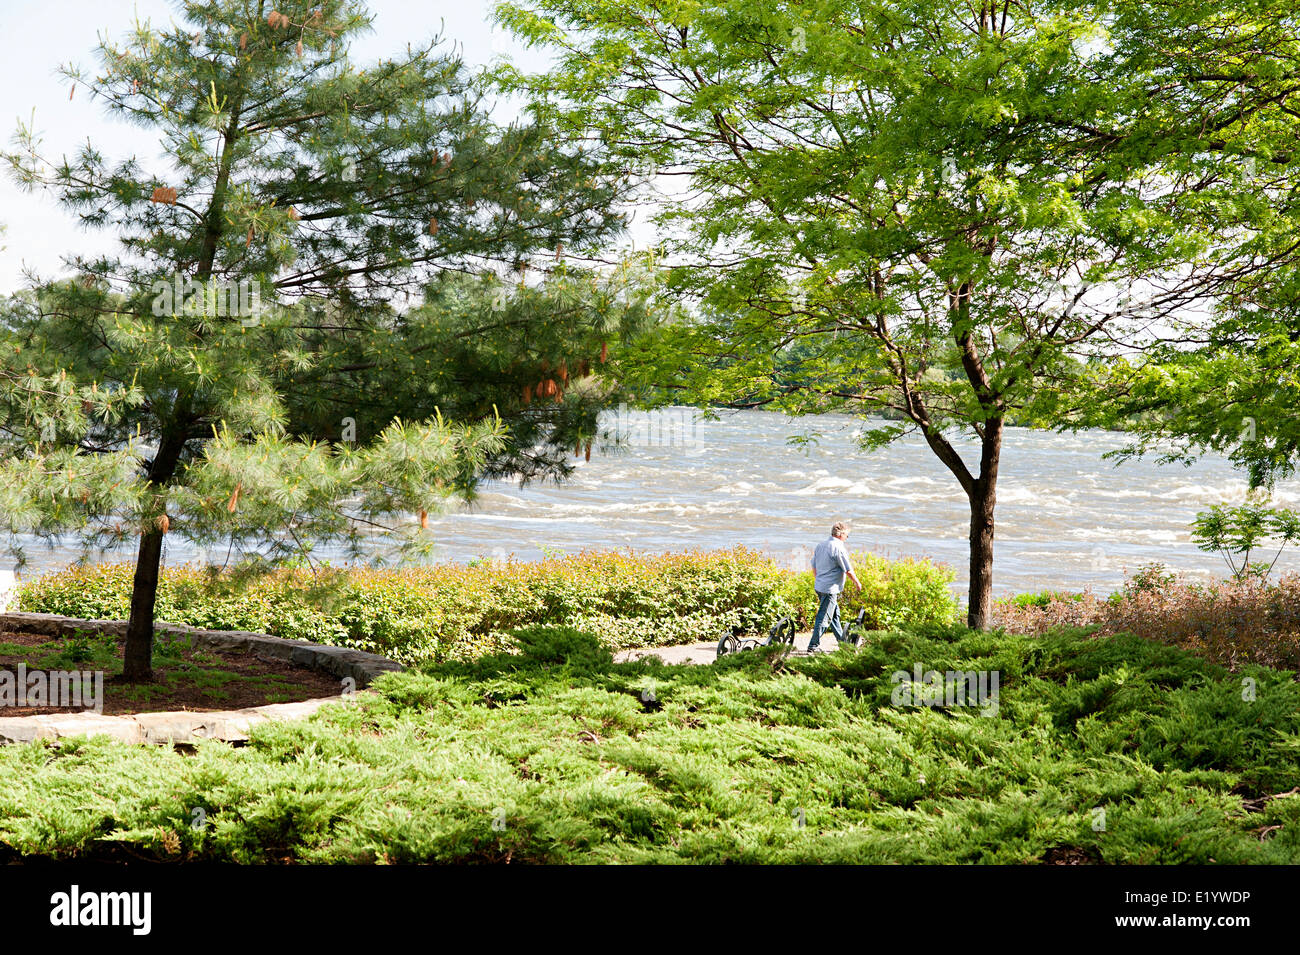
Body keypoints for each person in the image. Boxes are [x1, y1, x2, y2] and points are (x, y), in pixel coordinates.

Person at [807, 521, 862, 654]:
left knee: (834, 616)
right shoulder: (839, 547)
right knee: (824, 617)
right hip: (830, 589)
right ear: (841, 534)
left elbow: (813, 566)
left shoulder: (821, 545)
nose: (846, 538)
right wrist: (857, 582)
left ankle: (844, 644)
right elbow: (848, 570)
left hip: (820, 586)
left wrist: (819, 579)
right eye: (847, 536)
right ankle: (813, 646)